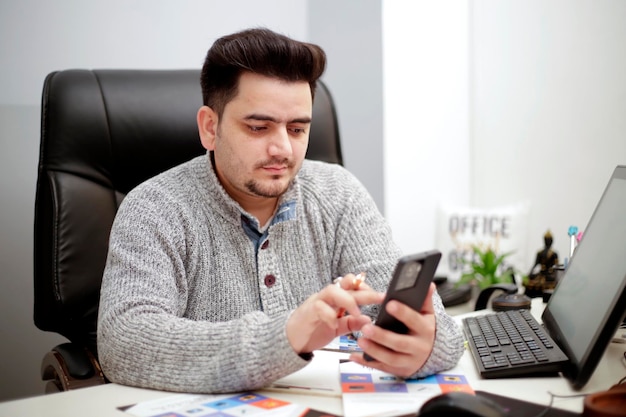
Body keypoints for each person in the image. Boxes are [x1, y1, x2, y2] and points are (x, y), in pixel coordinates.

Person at [97, 27, 464, 394]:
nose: (283, 149)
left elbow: (433, 326)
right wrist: (287, 335)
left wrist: (426, 348)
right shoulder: (155, 207)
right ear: (210, 127)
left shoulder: (339, 193)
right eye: (259, 127)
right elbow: (124, 341)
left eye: (297, 129)